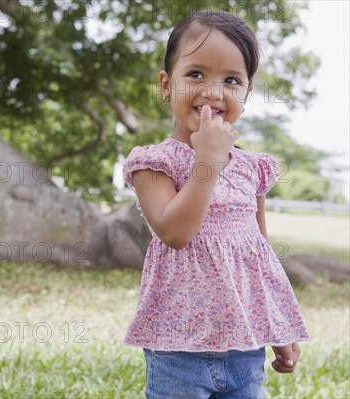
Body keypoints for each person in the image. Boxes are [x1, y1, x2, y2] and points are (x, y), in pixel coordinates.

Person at [122, 9, 309, 399]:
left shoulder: (252, 169)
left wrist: (280, 326)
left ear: (246, 92)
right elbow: (175, 233)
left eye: (231, 80)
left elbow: (261, 254)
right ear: (165, 85)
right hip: (178, 350)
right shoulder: (155, 163)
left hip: (245, 348)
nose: (212, 91)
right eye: (195, 75)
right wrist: (206, 161)